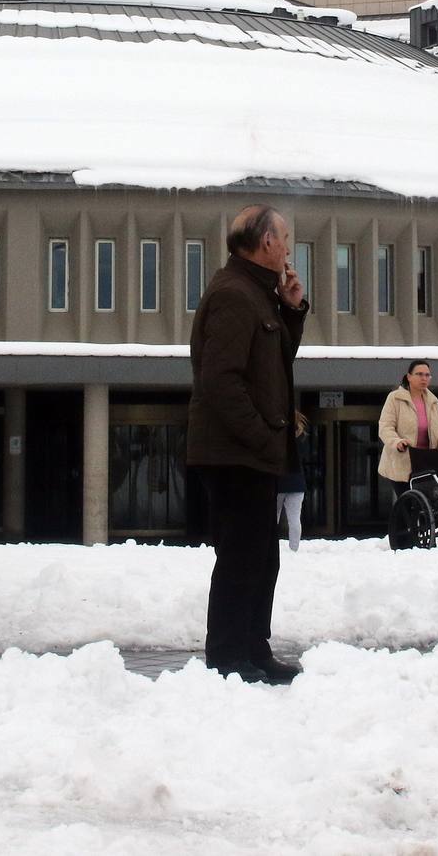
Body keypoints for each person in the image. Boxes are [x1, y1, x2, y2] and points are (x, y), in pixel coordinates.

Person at [187, 204, 307, 683]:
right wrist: (261, 437)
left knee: (261, 554)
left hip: (249, 452)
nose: (289, 248)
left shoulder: (257, 295)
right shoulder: (234, 296)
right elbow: (220, 382)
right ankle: (227, 656)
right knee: (240, 555)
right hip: (234, 452)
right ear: (266, 244)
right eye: (285, 238)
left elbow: (273, 364)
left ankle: (254, 650)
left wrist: (292, 309)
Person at [377, 359, 438, 495]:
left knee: (428, 504)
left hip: (425, 462)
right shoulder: (395, 398)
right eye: (419, 374)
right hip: (402, 462)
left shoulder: (433, 400)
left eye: (427, 375)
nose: (424, 378)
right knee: (408, 505)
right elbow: (385, 427)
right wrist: (397, 442)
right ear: (409, 377)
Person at [276, 413, 309, 552]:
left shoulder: (278, 437)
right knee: (295, 519)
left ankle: (272, 546)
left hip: (278, 481)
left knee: (273, 517)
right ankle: (294, 548)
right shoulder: (302, 437)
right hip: (297, 482)